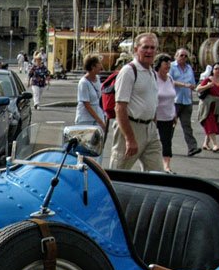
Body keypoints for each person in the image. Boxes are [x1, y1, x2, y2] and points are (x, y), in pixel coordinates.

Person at [109, 32, 164, 172]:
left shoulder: (152, 72)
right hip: (131, 127)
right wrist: (129, 139)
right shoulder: (129, 71)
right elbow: (120, 108)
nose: (149, 51)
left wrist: (153, 125)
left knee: (158, 174)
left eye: (153, 48)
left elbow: (152, 101)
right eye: (145, 47)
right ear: (136, 49)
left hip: (150, 129)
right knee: (119, 173)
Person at [171, 48, 202, 156]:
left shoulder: (189, 68)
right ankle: (166, 146)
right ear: (176, 56)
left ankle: (192, 147)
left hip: (187, 100)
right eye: (181, 55)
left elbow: (192, 83)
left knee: (187, 126)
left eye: (185, 56)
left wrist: (195, 88)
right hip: (175, 100)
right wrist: (184, 85)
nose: (183, 58)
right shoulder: (171, 67)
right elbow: (169, 81)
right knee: (171, 125)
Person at [196, 63, 219, 151]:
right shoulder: (208, 79)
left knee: (213, 124)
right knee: (211, 124)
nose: (217, 71)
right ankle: (215, 145)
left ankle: (205, 143)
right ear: (212, 70)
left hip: (218, 106)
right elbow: (198, 89)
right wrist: (208, 85)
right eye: (216, 69)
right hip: (207, 106)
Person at [154, 53, 177, 173]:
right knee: (152, 142)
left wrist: (174, 113)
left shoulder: (170, 78)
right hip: (155, 117)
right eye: (165, 63)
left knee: (167, 142)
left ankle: (166, 166)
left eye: (169, 63)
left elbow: (172, 97)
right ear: (159, 64)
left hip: (168, 116)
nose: (168, 65)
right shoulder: (153, 78)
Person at [75, 54, 108, 133]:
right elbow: (87, 105)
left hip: (98, 117)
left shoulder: (98, 79)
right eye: (99, 64)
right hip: (85, 120)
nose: (101, 66)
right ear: (93, 67)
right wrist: (100, 122)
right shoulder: (83, 83)